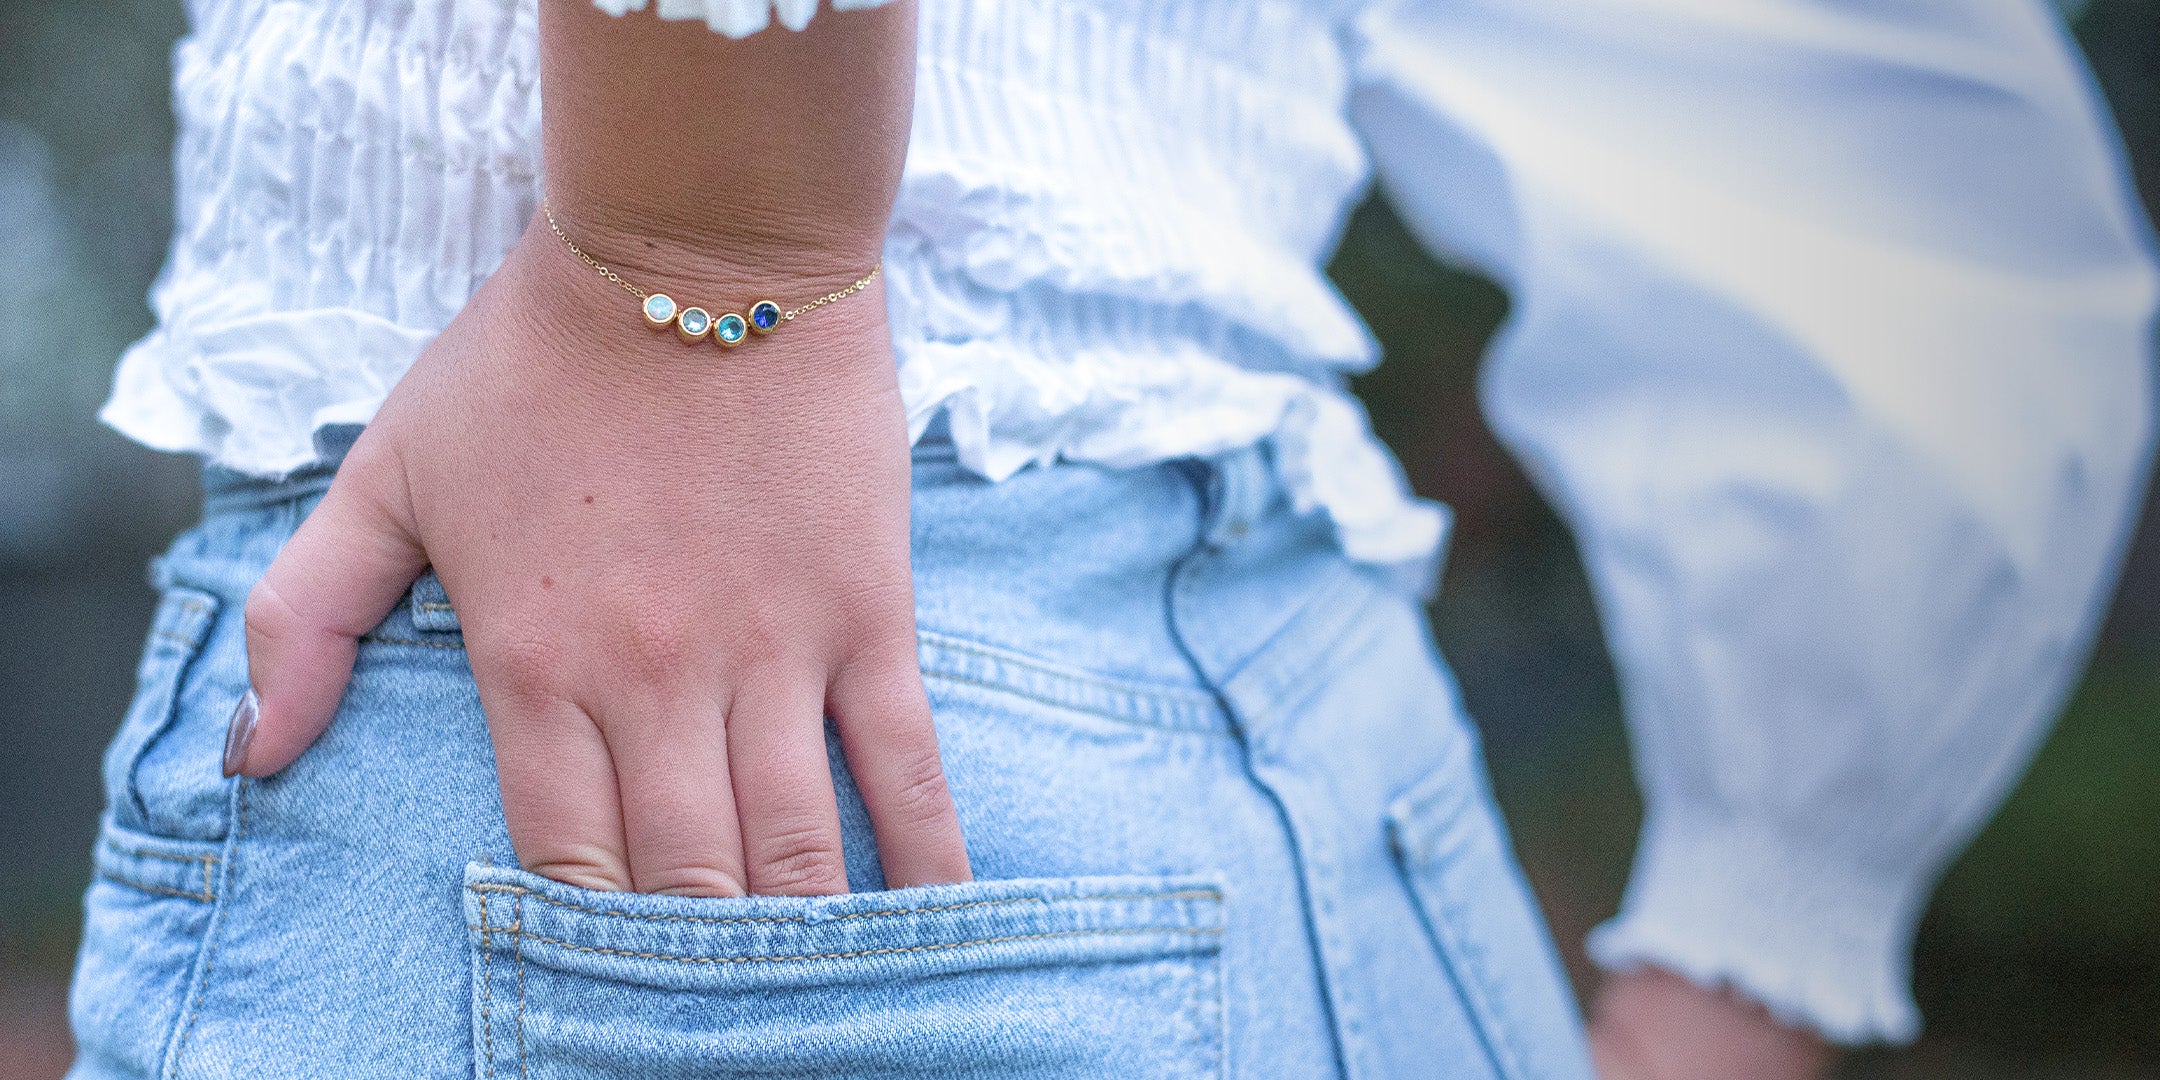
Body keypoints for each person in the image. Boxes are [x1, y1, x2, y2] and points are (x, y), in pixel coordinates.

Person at [68, 0, 2157, 1077]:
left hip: (692, 651)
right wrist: (1760, 919)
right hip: (1328, 797)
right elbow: (1864, 139)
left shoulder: (703, 283)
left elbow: (718, 264)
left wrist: (699, 264)